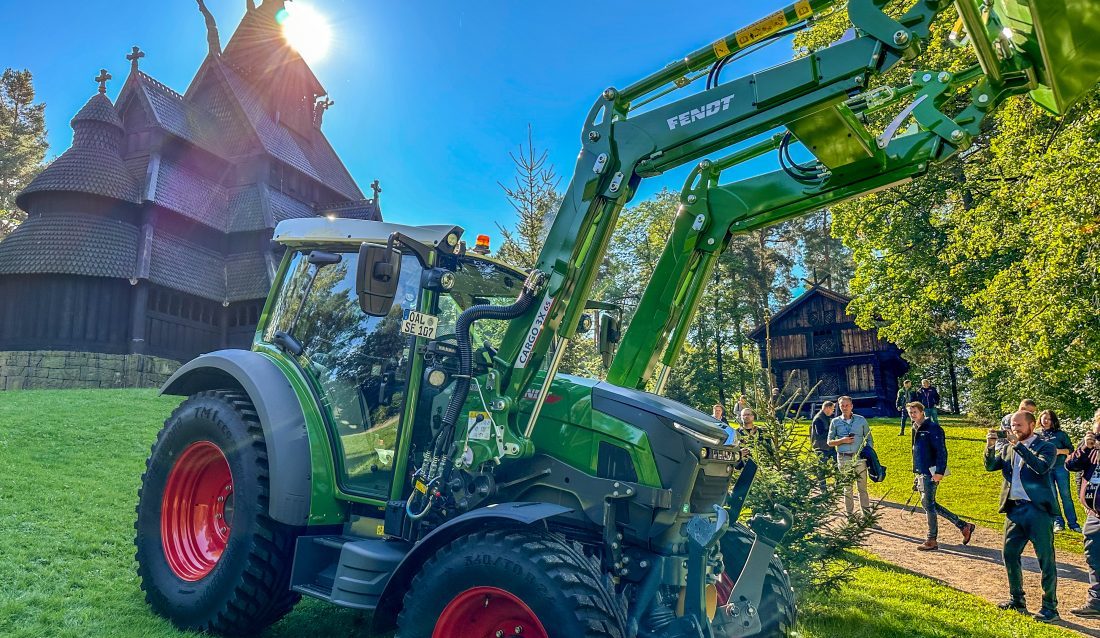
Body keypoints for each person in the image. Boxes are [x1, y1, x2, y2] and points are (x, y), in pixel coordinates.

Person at [985, 410, 1060, 623]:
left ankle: (1050, 607)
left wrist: (1018, 446)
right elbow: (991, 466)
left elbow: (1041, 467)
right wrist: (990, 446)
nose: (1014, 429)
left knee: (1045, 559)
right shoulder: (1008, 447)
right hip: (1014, 510)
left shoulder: (1046, 447)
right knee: (1009, 554)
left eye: (1019, 425)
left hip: (1037, 510)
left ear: (1032, 425)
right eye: (1012, 425)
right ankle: (1017, 600)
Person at [908, 401, 975, 550]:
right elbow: (917, 452)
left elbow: (942, 452)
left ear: (922, 412)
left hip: (931, 472)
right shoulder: (915, 428)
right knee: (929, 503)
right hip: (922, 471)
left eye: (915, 412)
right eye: (910, 412)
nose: (912, 415)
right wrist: (916, 473)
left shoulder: (933, 428)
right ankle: (964, 526)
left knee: (928, 504)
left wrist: (939, 472)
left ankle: (932, 539)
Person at [1064, 408, 1100, 618]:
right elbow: (1070, 465)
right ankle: (1096, 602)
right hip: (1094, 515)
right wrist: (1086, 447)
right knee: (1094, 557)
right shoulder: (1090, 446)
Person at [828, 396, 873, 518]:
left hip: (859, 458)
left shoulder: (861, 420)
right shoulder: (835, 422)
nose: (845, 407)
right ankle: (850, 517)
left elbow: (868, 438)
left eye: (847, 405)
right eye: (842, 405)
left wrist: (868, 453)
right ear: (839, 406)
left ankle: (867, 516)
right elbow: (829, 442)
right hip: (844, 458)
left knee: (862, 488)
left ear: (852, 406)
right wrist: (842, 440)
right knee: (847, 489)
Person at [1037, 409, 1080, 532]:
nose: (1045, 421)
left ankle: (1073, 523)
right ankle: (1058, 522)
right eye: (1043, 418)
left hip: (1060, 467)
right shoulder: (1036, 434)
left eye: (1048, 419)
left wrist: (1059, 451)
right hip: (1046, 469)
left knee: (1066, 496)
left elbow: (1071, 449)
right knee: (1053, 497)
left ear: (1053, 421)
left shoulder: (1060, 434)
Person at [811, 401, 837, 491]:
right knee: (822, 469)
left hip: (829, 446)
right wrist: (832, 433)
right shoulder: (818, 418)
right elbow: (820, 433)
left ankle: (839, 486)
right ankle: (823, 489)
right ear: (827, 408)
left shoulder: (826, 417)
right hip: (821, 447)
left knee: (837, 465)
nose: (832, 411)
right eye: (832, 409)